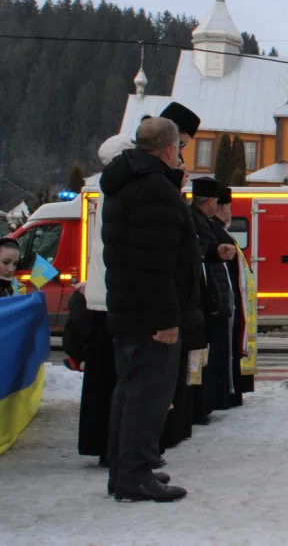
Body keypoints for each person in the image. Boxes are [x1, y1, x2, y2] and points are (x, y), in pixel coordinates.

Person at [102, 117, 196, 502]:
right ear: (170, 149)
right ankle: (135, 474)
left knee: (129, 392)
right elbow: (155, 263)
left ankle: (126, 469)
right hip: (148, 315)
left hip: (128, 309)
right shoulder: (153, 190)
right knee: (147, 397)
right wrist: (165, 321)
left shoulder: (126, 183)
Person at [188, 177, 236, 425]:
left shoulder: (203, 223)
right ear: (209, 201)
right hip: (207, 304)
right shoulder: (199, 223)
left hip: (211, 301)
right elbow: (201, 259)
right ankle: (202, 404)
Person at [211, 186, 252, 404]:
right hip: (224, 304)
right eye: (229, 207)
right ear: (222, 207)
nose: (231, 212)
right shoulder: (217, 233)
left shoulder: (220, 232)